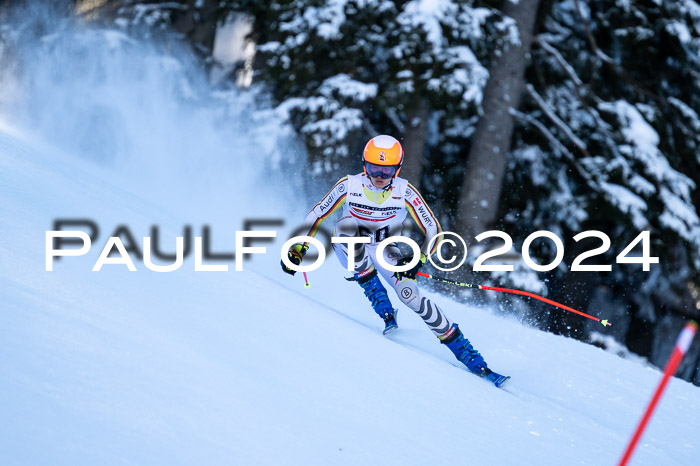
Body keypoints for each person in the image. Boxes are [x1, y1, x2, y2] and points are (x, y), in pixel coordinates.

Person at [281, 135, 508, 386]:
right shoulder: (349, 185)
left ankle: (472, 358)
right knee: (347, 227)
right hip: (349, 244)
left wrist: (418, 260)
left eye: (386, 169)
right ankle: (380, 300)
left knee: (411, 295)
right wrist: (298, 247)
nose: (379, 175)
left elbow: (433, 229)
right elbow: (317, 213)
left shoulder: (404, 191)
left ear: (396, 169)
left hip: (384, 249)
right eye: (373, 168)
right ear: (364, 165)